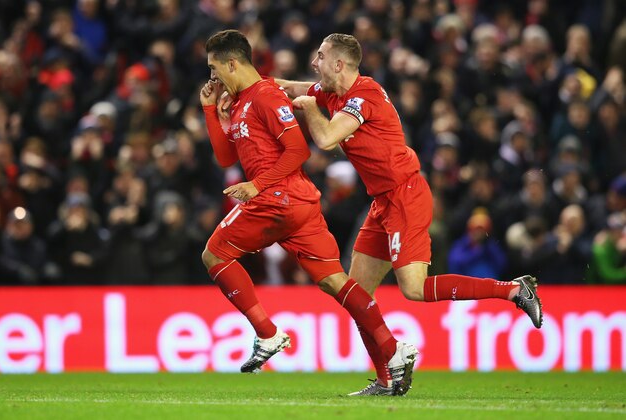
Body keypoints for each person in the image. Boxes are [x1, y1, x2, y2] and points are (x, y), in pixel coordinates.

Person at [275, 33, 543, 395]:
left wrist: (308, 109)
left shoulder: (363, 96)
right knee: (356, 295)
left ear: (338, 64)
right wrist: (253, 87)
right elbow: (296, 87)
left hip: (405, 195)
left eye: (319, 56)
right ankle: (387, 380)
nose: (314, 62)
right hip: (382, 201)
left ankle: (512, 289)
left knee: (413, 290)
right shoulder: (335, 92)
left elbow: (325, 140)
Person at [199, 30, 416, 396]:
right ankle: (395, 350)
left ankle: (268, 334)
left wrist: (257, 185)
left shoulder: (265, 96)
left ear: (232, 63)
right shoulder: (239, 103)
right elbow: (225, 158)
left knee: (214, 254)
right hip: (298, 205)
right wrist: (210, 111)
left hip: (276, 198)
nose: (212, 76)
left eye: (214, 67)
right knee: (336, 282)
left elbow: (299, 150)